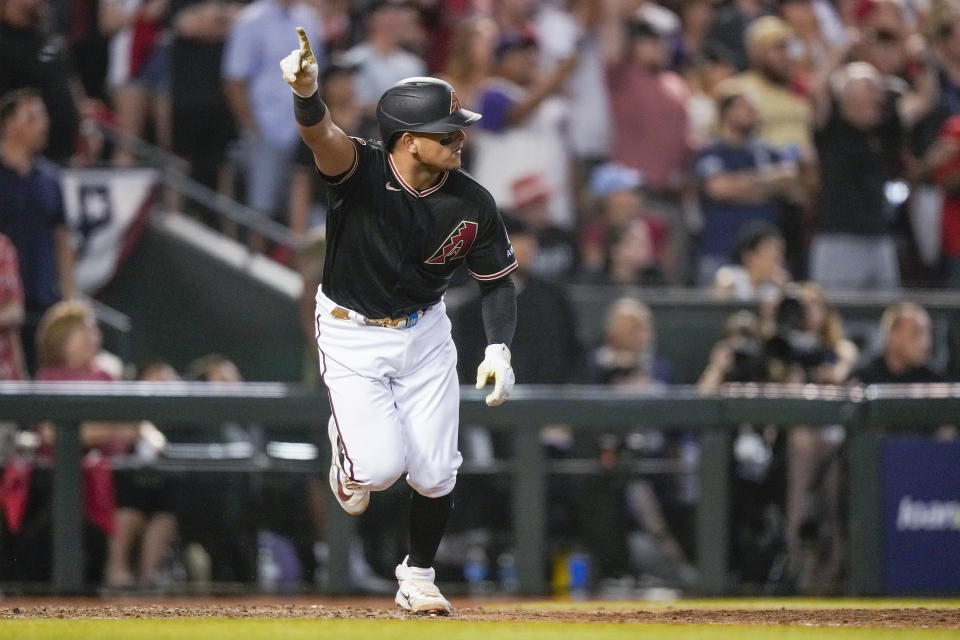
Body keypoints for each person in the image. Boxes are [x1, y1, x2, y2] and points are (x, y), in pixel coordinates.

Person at [281, 29, 518, 615]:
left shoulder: (471, 201)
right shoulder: (360, 170)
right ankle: (348, 457)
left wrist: (498, 350)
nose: (461, 137)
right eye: (448, 131)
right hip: (350, 329)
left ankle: (418, 576)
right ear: (409, 141)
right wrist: (308, 95)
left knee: (437, 468)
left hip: (424, 330)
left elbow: (496, 283)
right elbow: (321, 135)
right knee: (381, 471)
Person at [694, 88, 805, 284]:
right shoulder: (712, 152)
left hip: (765, 258)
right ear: (725, 112)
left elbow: (792, 187)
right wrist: (770, 185)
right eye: (743, 107)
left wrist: (742, 186)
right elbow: (720, 188)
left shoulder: (769, 152)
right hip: (721, 251)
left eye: (754, 107)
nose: (751, 111)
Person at [0, 89, 76, 375]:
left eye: (43, 116)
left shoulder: (50, 179)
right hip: (3, 306)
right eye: (33, 117)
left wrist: (69, 298)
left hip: (44, 299)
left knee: (47, 380)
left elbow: (62, 238)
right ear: (9, 124)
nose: (43, 124)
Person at [0, 0, 81, 164]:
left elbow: (71, 86)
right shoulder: (4, 43)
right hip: (17, 164)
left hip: (63, 158)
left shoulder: (49, 37)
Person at [851, 302, 943, 384]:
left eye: (929, 333)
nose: (926, 343)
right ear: (893, 336)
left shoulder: (934, 383)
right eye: (915, 333)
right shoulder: (864, 381)